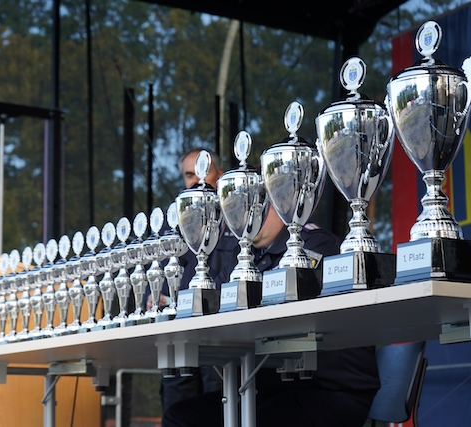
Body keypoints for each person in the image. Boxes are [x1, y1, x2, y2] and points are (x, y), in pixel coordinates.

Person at [161, 205, 381, 427]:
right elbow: (209, 305)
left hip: (327, 391)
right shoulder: (242, 255)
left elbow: (288, 316)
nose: (245, 217)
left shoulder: (315, 244)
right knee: (180, 417)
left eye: (256, 206)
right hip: (267, 390)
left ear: (280, 203)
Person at [155, 147, 240, 413]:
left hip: (222, 334)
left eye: (203, 172)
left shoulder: (237, 217)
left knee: (218, 409)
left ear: (220, 175)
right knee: (178, 408)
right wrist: (157, 295)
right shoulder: (174, 224)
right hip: (179, 335)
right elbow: (159, 273)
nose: (196, 180)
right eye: (189, 175)